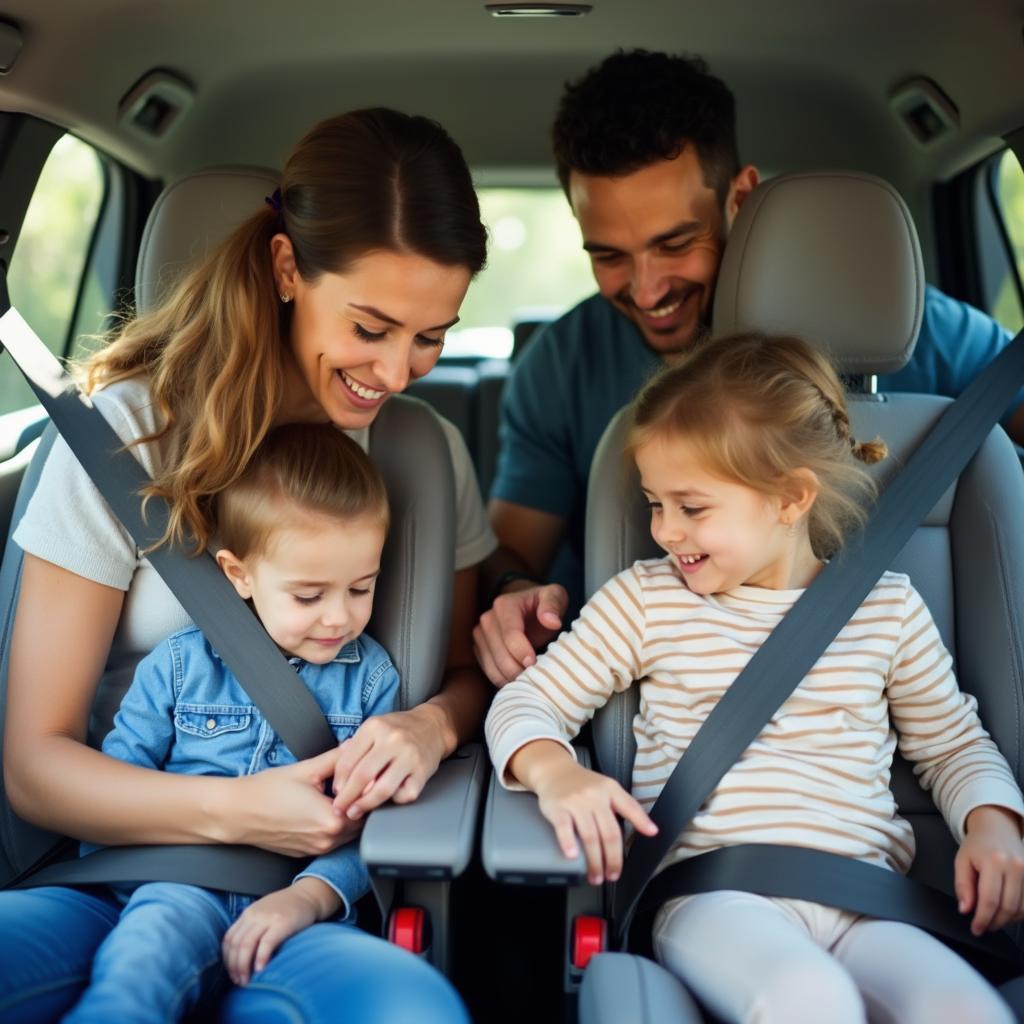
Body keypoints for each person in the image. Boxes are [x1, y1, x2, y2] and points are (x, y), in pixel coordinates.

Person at [0, 108, 491, 1022]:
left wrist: (427, 726)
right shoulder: (120, 441)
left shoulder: (425, 456)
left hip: (299, 904)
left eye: (432, 334)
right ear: (286, 268)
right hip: (111, 876)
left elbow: (463, 675)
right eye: (373, 326)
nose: (397, 371)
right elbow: (36, 767)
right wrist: (243, 811)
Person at [486, 331, 1024, 1024]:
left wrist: (994, 825)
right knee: (810, 1002)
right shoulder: (646, 601)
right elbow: (527, 702)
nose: (666, 532)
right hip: (715, 894)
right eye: (654, 504)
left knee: (965, 1010)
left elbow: (952, 745)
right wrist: (555, 773)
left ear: (791, 499)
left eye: (692, 507)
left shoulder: (885, 609)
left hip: (865, 900)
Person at [475, 49, 1024, 686]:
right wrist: (515, 589)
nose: (647, 290)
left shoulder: (908, 329)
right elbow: (511, 549)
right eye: (609, 256)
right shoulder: (561, 364)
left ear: (740, 196)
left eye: (675, 243)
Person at [58, 423, 397, 1021]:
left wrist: (309, 899)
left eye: (361, 587)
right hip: (174, 887)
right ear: (239, 575)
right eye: (308, 595)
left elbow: (379, 828)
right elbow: (115, 793)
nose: (339, 616)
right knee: (138, 974)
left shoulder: (372, 682)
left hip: (296, 900)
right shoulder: (180, 666)